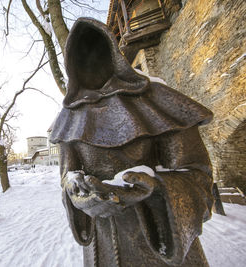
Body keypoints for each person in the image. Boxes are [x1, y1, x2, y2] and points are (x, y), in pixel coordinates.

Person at [50, 18, 214, 267]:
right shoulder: (70, 116)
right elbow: (68, 176)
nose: (91, 61)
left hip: (158, 249)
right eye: (82, 55)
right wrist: (76, 192)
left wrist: (156, 189)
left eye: (97, 51)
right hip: (102, 246)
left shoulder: (157, 99)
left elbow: (198, 176)